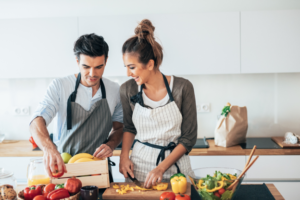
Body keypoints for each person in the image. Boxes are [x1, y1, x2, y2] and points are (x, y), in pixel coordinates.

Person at [29, 33, 123, 181]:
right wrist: (49, 148)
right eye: (86, 66)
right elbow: (36, 121)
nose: (92, 74)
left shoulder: (114, 90)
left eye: (99, 67)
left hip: (98, 170)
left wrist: (111, 144)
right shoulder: (60, 86)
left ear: (106, 61)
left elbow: (119, 127)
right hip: (64, 168)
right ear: (77, 61)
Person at [119, 19, 197, 188]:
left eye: (131, 67)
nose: (127, 73)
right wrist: (124, 157)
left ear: (150, 64)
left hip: (177, 170)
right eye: (126, 67)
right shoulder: (128, 89)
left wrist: (160, 168)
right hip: (139, 170)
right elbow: (129, 127)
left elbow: (188, 138)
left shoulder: (182, 87)